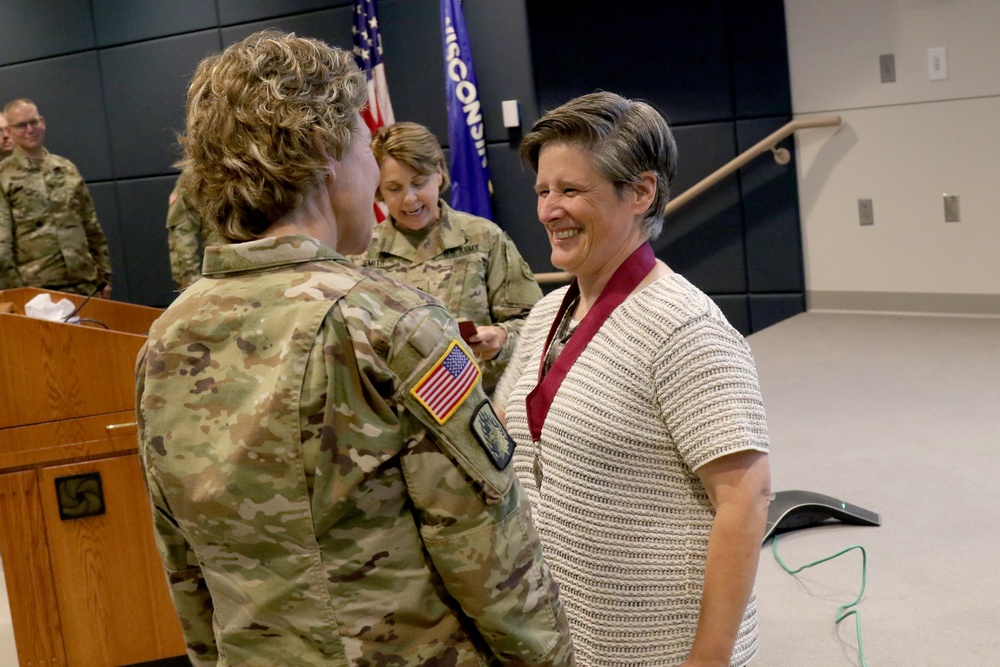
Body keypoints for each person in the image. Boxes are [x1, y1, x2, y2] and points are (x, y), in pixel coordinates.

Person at [135, 30, 573, 666]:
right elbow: (484, 550)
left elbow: (183, 562)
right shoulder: (388, 321)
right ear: (323, 153)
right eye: (363, 142)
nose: (377, 172)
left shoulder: (165, 339)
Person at [494, 92, 772, 667]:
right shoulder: (548, 313)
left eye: (571, 190)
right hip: (569, 632)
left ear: (641, 192)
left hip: (659, 647)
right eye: (544, 191)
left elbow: (745, 500)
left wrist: (709, 659)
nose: (548, 210)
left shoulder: (686, 327)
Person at [353, 121, 542, 392]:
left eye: (419, 183)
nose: (410, 199)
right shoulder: (361, 251)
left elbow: (535, 325)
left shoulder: (482, 237)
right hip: (398, 417)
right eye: (394, 188)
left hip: (480, 406)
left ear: (439, 175)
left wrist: (502, 337)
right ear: (379, 191)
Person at [0, 99, 113, 296]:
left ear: (42, 122)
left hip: (84, 283)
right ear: (9, 131)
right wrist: (17, 291)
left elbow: (91, 226)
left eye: (34, 122)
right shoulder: (4, 175)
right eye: (21, 126)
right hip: (37, 288)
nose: (30, 129)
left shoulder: (66, 168)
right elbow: (2, 243)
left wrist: (103, 277)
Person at [165, 168, 225, 289]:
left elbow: (181, 234)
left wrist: (190, 289)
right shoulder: (263, 162)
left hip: (222, 277)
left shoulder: (198, 170)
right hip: (229, 272)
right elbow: (182, 232)